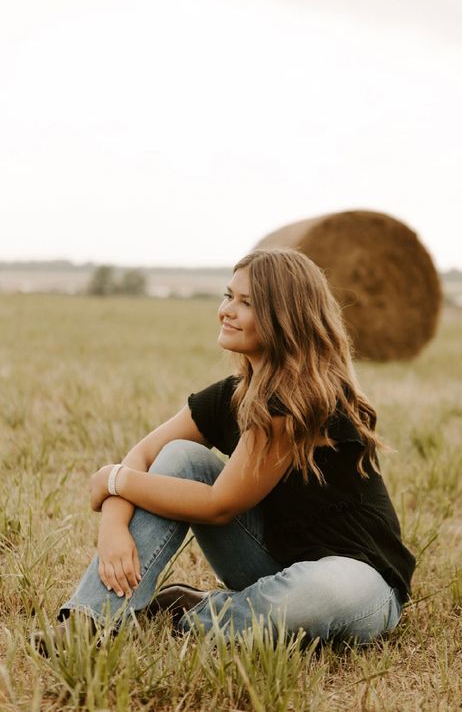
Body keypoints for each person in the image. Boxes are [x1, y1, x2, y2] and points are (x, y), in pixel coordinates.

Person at [52, 248, 416, 646]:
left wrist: (112, 480)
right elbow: (142, 457)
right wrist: (113, 524)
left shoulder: (303, 401)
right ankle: (90, 622)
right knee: (180, 456)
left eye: (247, 302)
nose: (227, 310)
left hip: (358, 579)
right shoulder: (230, 397)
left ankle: (194, 615)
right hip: (270, 562)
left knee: (313, 593)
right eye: (229, 296)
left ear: (285, 316)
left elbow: (218, 505)